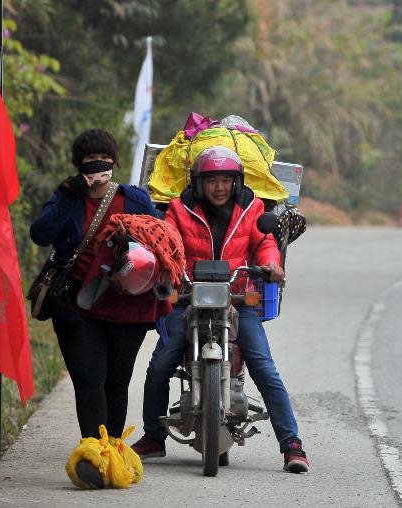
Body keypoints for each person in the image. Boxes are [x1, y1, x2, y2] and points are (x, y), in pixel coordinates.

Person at [130, 145, 310, 473]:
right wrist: (162, 263)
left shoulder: (252, 209)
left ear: (236, 182)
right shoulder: (178, 210)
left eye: (226, 180)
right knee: (159, 367)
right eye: (212, 180)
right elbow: (168, 242)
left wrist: (271, 264)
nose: (219, 187)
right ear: (199, 183)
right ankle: (153, 437)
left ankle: (292, 444)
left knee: (265, 368)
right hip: (186, 298)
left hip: (239, 300)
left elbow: (265, 242)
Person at [29, 129, 162, 486]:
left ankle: (112, 452)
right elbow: (40, 234)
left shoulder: (134, 199)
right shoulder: (67, 196)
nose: (97, 169)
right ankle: (95, 454)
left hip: (127, 307)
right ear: (78, 166)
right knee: (88, 379)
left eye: (103, 161)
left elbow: (161, 240)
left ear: (114, 164)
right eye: (89, 163)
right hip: (77, 304)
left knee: (116, 382)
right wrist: (68, 199)